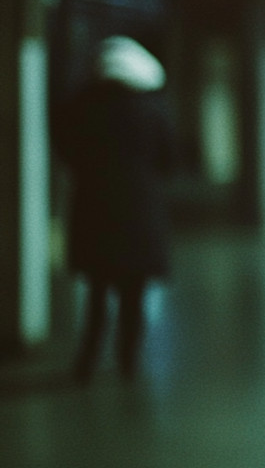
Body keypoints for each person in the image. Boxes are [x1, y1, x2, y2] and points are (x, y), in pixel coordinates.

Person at [53, 35, 174, 382]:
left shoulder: (82, 105)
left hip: (94, 209)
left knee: (96, 291)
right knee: (133, 294)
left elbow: (66, 150)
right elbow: (169, 158)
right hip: (140, 213)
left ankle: (86, 363)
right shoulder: (151, 109)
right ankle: (128, 362)